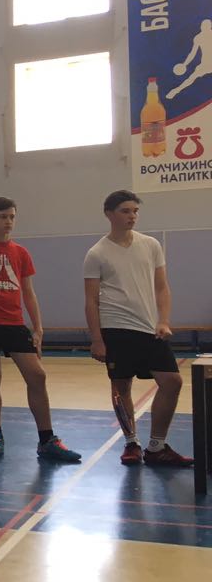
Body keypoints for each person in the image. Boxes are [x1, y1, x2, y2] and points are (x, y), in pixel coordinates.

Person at [0, 197, 80, 462]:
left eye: (12, 217)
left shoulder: (21, 253)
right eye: (3, 216)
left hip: (14, 324)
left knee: (37, 376)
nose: (8, 222)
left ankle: (47, 440)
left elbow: (28, 292)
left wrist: (38, 328)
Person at [85, 190, 193, 468]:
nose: (132, 216)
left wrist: (163, 320)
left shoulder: (151, 245)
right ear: (109, 214)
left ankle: (156, 447)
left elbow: (162, 287)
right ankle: (131, 442)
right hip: (115, 328)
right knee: (121, 386)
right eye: (125, 211)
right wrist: (97, 339)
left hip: (149, 328)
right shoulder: (97, 253)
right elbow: (91, 300)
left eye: (135, 211)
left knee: (172, 381)